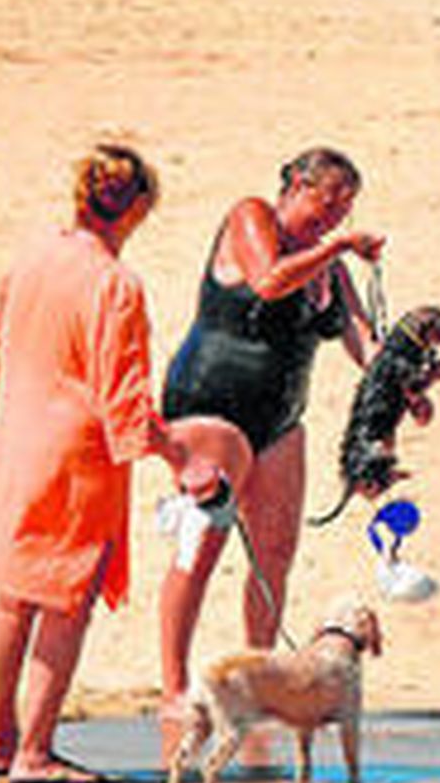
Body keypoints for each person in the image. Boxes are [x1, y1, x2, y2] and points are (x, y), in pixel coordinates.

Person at [0, 144, 218, 783]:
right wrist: (179, 458)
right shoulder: (115, 284)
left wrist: (18, 413)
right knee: (65, 600)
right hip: (75, 457)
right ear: (134, 209)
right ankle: (34, 751)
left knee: (12, 596)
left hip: (16, 439)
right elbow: (123, 396)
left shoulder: (32, 255)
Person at [157, 147, 384, 728]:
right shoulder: (251, 216)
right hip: (211, 404)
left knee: (274, 552)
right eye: (325, 201)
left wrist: (404, 382)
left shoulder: (328, 265)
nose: (332, 217)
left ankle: (257, 680)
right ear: (295, 187)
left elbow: (364, 343)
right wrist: (332, 248)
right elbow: (268, 281)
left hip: (279, 417)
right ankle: (174, 687)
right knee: (202, 545)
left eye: (345, 208)